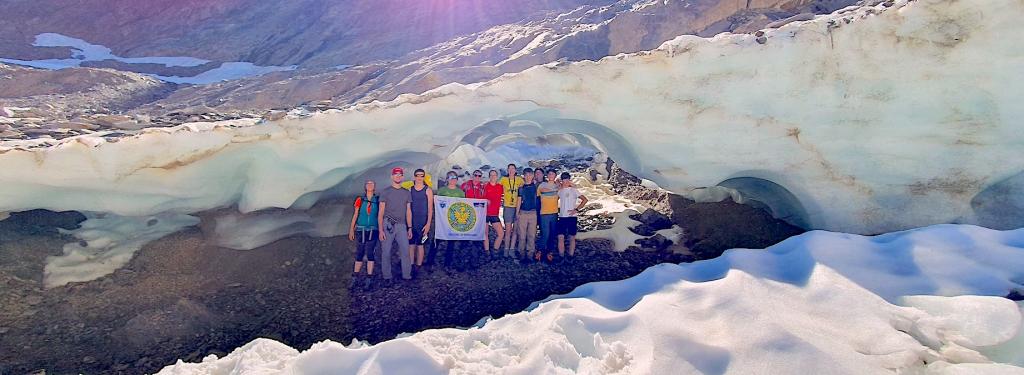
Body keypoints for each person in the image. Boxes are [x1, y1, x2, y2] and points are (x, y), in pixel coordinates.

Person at [378, 167, 414, 280]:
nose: (398, 176)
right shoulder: (385, 192)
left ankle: (406, 275)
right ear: (392, 177)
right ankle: (387, 276)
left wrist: (410, 228)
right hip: (388, 224)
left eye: (400, 174)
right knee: (386, 252)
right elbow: (381, 212)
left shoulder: (406, 193)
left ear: (402, 177)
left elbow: (408, 211)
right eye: (396, 174)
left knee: (405, 251)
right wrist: (380, 230)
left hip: (402, 225)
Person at [349, 180, 379, 281]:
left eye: (372, 183)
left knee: (370, 253)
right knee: (360, 253)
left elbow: (380, 215)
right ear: (365, 186)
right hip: (361, 229)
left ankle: (369, 278)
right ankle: (355, 277)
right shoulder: (360, 200)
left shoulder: (378, 200)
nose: (370, 185)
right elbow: (355, 214)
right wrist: (351, 229)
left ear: (374, 187)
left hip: (373, 230)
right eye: (368, 183)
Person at [436, 171, 465, 269]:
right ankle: (430, 262)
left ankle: (447, 264)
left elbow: (462, 206)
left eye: (455, 178)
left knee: (451, 243)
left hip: (453, 221)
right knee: (436, 240)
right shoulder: (441, 190)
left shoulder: (460, 192)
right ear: (447, 179)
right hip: (442, 220)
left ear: (457, 180)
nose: (453, 180)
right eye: (451, 178)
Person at [556, 172, 588, 261]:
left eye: (567, 179)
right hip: (562, 216)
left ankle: (570, 256)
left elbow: (585, 200)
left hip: (572, 217)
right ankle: (561, 256)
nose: (565, 181)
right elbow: (555, 200)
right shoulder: (560, 191)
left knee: (571, 237)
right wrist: (558, 184)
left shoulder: (574, 190)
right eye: (563, 179)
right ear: (562, 180)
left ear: (569, 180)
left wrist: (576, 210)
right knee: (560, 237)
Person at [408, 169, 433, 277]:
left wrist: (428, 224)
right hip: (412, 221)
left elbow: (430, 209)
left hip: (423, 221)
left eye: (421, 176)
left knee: (420, 244)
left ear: (424, 177)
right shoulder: (410, 189)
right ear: (414, 177)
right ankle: (411, 265)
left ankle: (418, 266)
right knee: (411, 244)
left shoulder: (428, 190)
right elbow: (408, 208)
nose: (419, 177)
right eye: (417, 175)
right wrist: (408, 225)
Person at [499, 164, 524, 257]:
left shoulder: (519, 180)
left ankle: (512, 249)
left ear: (516, 170)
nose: (511, 170)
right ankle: (506, 249)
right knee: (508, 230)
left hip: (517, 207)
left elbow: (526, 186)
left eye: (513, 169)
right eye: (509, 169)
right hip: (508, 207)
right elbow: (496, 186)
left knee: (515, 230)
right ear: (507, 170)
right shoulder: (503, 180)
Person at [460, 169, 487, 257]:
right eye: (475, 175)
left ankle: (474, 256)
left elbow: (485, 198)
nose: (477, 177)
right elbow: (459, 197)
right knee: (466, 233)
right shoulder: (466, 185)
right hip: (467, 213)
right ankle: (463, 255)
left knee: (476, 233)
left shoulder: (483, 187)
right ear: (472, 176)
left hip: (478, 214)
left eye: (479, 176)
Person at [515, 168, 539, 262]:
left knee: (532, 235)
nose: (528, 177)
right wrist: (517, 213)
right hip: (523, 212)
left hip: (533, 213)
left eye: (530, 174)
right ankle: (521, 254)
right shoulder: (521, 188)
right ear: (524, 176)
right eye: (526, 175)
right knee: (522, 235)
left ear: (533, 175)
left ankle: (530, 254)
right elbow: (519, 200)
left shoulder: (536, 186)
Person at [537, 168, 560, 262]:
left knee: (552, 234)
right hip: (544, 213)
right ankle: (539, 251)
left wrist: (559, 186)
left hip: (554, 213)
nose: (551, 175)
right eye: (549, 174)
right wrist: (557, 188)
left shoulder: (558, 185)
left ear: (555, 176)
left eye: (552, 174)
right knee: (545, 234)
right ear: (547, 176)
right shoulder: (543, 185)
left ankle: (549, 252)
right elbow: (544, 191)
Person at [483, 169, 505, 258]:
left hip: (494, 214)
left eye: (494, 175)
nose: (493, 177)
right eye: (491, 175)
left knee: (501, 233)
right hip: (485, 214)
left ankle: (495, 249)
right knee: (485, 234)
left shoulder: (500, 187)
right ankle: (487, 251)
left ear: (497, 177)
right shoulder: (485, 186)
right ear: (489, 177)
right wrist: (485, 200)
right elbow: (479, 197)